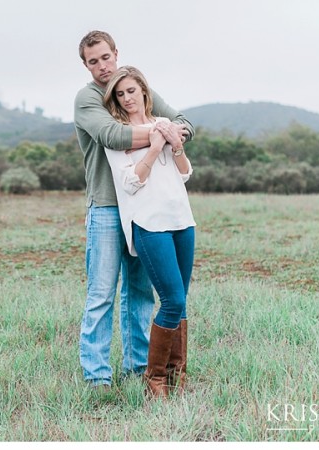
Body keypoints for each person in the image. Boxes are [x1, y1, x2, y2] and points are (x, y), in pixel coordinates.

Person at [73, 30, 194, 390]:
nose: (102, 66)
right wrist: (161, 134)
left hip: (145, 210)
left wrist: (175, 131)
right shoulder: (87, 99)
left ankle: (138, 366)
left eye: (105, 57)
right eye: (93, 61)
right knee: (101, 293)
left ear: (115, 53)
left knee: (140, 292)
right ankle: (97, 378)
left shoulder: (135, 87)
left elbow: (186, 122)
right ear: (86, 65)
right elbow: (114, 137)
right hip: (109, 207)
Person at [102, 66, 196, 398]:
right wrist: (155, 147)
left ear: (144, 90)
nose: (127, 98)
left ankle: (177, 376)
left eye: (131, 91)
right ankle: (154, 379)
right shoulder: (119, 136)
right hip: (149, 224)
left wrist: (175, 144)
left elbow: (184, 173)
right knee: (171, 300)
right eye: (120, 94)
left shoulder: (164, 124)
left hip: (182, 221)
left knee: (181, 303)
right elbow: (129, 183)